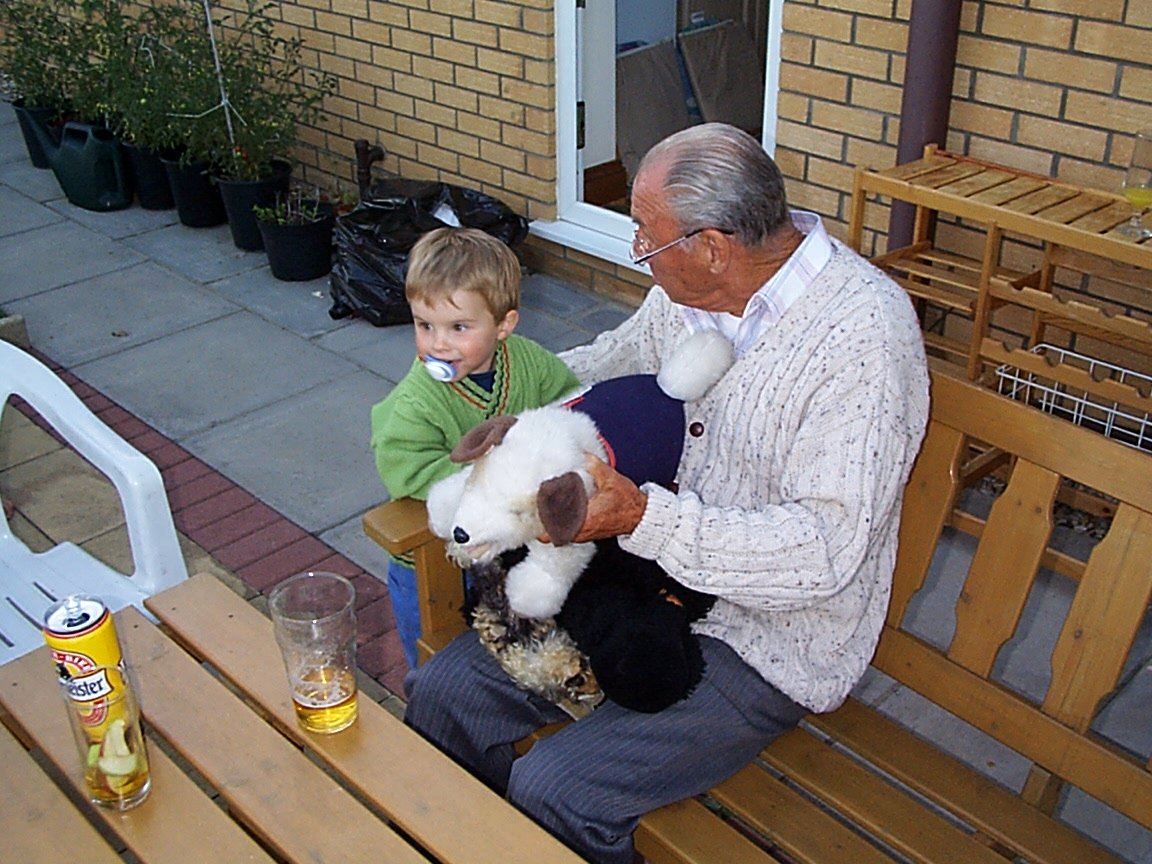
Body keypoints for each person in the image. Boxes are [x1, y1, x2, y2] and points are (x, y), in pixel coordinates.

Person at [403, 123, 930, 863]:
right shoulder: (693, 292)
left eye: (647, 238)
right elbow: (607, 364)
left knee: (555, 788)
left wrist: (646, 518)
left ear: (711, 246)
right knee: (444, 697)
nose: (637, 252)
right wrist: (505, 412)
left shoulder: (865, 337)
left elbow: (824, 551)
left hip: (764, 634)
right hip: (628, 579)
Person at [370, 226, 581, 668]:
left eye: (458, 327)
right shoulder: (414, 404)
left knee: (503, 643)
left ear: (504, 325)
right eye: (424, 325)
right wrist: (492, 478)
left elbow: (567, 406)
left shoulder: (529, 362)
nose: (438, 343)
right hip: (432, 560)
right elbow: (406, 474)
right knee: (435, 661)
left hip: (506, 546)